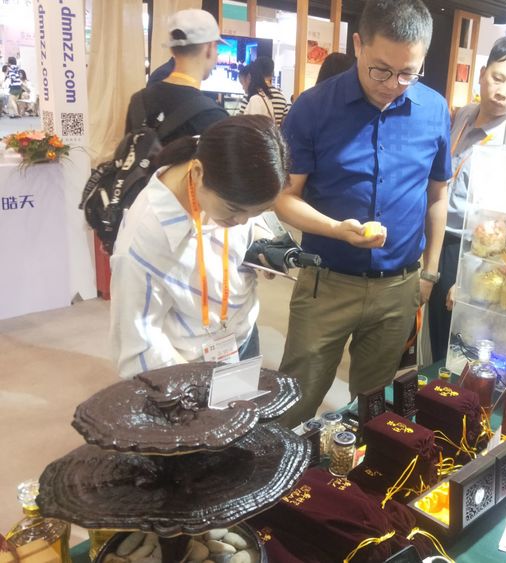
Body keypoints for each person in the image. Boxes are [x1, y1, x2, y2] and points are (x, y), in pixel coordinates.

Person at [275, 0, 451, 426]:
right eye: (381, 70)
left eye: (408, 73)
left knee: (374, 409)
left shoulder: (433, 110)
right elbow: (283, 197)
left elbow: (437, 195)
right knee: (295, 400)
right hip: (326, 283)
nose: (393, 84)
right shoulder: (314, 107)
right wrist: (337, 229)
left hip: (399, 287)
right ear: (358, 45)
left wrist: (429, 273)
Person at [110, 115, 288, 379]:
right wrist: (192, 385)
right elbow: (138, 345)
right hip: (186, 365)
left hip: (243, 339)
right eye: (234, 210)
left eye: (257, 211)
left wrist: (263, 249)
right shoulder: (144, 238)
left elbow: (251, 224)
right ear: (197, 173)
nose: (242, 222)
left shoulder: (226, 173)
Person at [428, 38, 506, 362]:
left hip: (468, 253)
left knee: (455, 349)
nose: (503, 91)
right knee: (432, 338)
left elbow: (500, 226)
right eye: (498, 78)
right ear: (482, 74)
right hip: (438, 240)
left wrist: (466, 280)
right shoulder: (464, 115)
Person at [124, 9, 229, 145]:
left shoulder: (138, 101)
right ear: (209, 48)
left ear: (172, 49)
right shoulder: (214, 117)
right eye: (217, 48)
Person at [243, 56, 289, 127]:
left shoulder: (252, 94)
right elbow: (284, 124)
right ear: (272, 73)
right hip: (272, 133)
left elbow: (241, 121)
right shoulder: (281, 98)